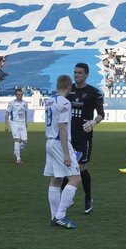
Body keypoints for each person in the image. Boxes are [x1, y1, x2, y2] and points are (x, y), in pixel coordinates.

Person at [64, 63, 105, 215]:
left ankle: (88, 197)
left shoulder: (94, 92)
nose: (77, 75)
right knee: (65, 166)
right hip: (67, 135)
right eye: (75, 72)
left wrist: (94, 122)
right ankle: (65, 199)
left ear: (87, 74)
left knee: (81, 168)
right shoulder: (68, 90)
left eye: (80, 73)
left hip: (84, 137)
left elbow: (101, 113)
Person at [44, 75, 80, 229]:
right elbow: (63, 127)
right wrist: (66, 153)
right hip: (59, 143)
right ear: (69, 87)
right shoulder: (64, 102)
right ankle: (60, 215)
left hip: (50, 142)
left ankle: (54, 216)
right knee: (75, 178)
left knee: (56, 179)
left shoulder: (49, 100)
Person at [5, 87, 30, 165]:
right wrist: (6, 124)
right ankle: (18, 159)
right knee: (17, 140)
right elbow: (7, 113)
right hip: (14, 123)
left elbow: (25, 112)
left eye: (21, 95)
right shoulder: (12, 103)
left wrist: (26, 121)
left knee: (25, 141)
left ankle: (16, 151)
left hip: (22, 123)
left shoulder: (25, 103)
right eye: (19, 95)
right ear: (15, 95)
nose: (20, 96)